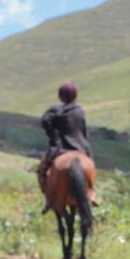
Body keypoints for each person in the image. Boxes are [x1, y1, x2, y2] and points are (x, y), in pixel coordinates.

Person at [39, 82, 97, 211]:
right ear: (75, 96)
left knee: (43, 169)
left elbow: (45, 121)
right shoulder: (79, 111)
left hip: (60, 146)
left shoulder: (55, 110)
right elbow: (83, 129)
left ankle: (48, 199)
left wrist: (53, 134)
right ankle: (92, 192)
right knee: (91, 163)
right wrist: (83, 142)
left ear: (60, 96)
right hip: (80, 145)